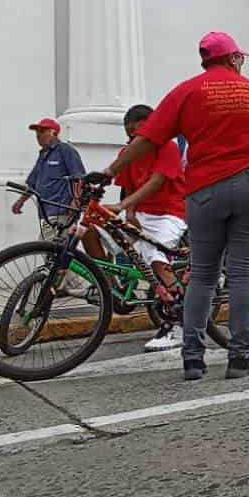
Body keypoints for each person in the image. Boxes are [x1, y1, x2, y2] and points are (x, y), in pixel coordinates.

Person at [91, 31, 249, 381]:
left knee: (203, 274)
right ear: (234, 58)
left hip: (206, 188)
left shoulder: (186, 91)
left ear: (205, 60)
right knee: (242, 272)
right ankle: (239, 357)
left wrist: (111, 171)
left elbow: (148, 139)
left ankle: (193, 359)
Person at [82, 105, 188, 352]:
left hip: (169, 213)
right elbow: (129, 185)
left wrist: (122, 206)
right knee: (88, 229)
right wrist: (129, 213)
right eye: (130, 135)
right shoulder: (127, 152)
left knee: (156, 261)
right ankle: (109, 286)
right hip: (138, 211)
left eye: (138, 135)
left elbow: (156, 181)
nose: (134, 140)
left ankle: (179, 323)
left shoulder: (167, 147)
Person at [14, 118, 86, 241]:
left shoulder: (65, 150)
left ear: (53, 132)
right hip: (47, 213)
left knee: (47, 249)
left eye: (42, 131)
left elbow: (79, 177)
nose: (38, 135)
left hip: (62, 211)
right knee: (54, 252)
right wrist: (20, 201)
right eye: (37, 131)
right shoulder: (43, 155)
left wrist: (76, 200)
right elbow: (32, 183)